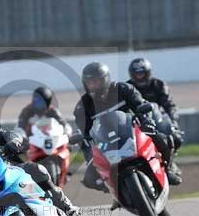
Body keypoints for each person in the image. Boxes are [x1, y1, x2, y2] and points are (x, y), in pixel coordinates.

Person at [73, 62, 180, 191]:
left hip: (134, 132)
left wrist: (146, 122)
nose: (94, 85)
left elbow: (141, 105)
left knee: (164, 139)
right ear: (85, 84)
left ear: (106, 79)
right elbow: (84, 134)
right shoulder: (82, 106)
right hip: (106, 144)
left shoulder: (123, 89)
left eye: (98, 81)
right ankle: (113, 188)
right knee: (89, 179)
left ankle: (167, 170)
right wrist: (89, 154)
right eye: (91, 82)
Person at [127, 57, 184, 184]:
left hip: (157, 121)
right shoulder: (127, 87)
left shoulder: (158, 85)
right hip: (135, 125)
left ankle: (169, 166)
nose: (139, 77)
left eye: (142, 73)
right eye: (137, 74)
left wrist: (173, 121)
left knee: (175, 138)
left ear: (148, 73)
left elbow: (170, 106)